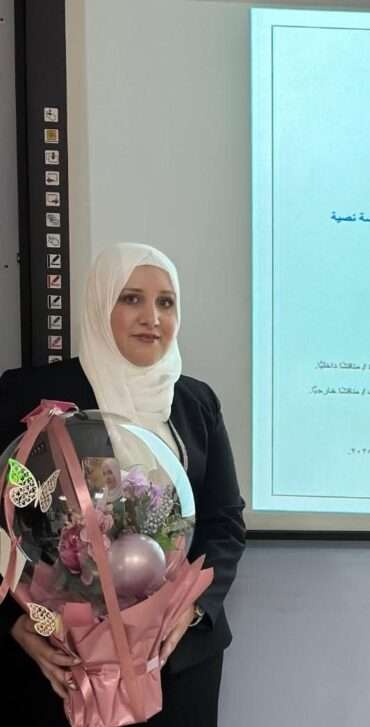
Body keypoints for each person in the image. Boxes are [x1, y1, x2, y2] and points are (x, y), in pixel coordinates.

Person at [0, 243, 246, 726]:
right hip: (62, 660)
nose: (151, 318)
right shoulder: (29, 394)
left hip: (177, 661)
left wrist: (194, 608)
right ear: (99, 303)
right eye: (131, 298)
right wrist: (13, 623)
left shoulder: (196, 402)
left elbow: (224, 522)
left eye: (166, 303)